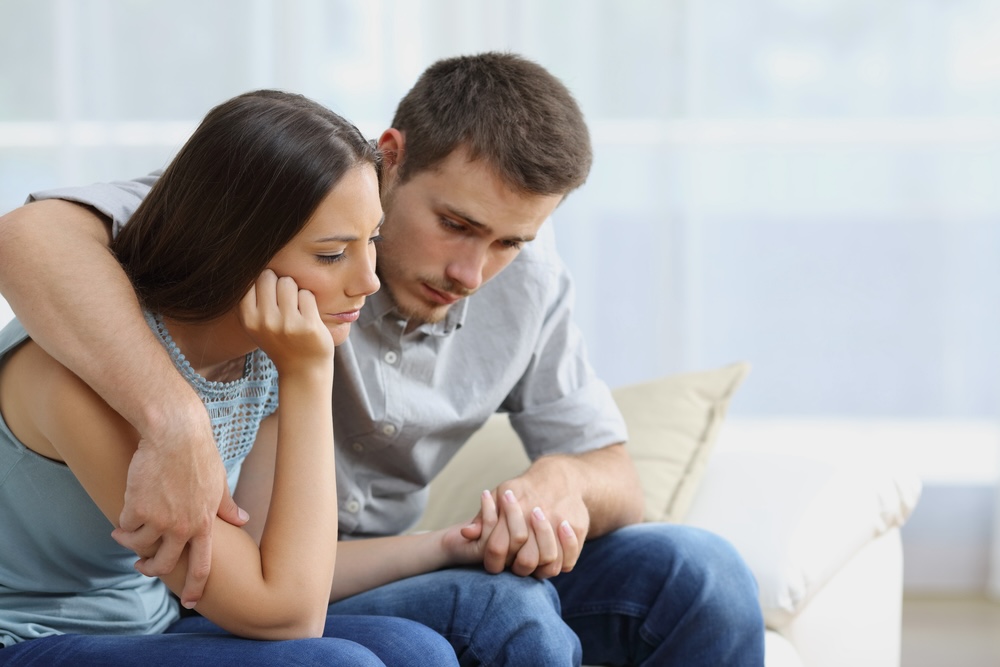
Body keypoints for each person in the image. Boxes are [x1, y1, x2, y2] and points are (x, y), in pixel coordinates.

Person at [0, 53, 765, 665]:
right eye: (456, 223)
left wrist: (553, 484)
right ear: (392, 160)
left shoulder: (280, 347)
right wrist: (173, 416)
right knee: (487, 615)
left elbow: (612, 471)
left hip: (306, 571)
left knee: (700, 572)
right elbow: (31, 237)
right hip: (216, 593)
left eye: (511, 241)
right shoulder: (271, 203)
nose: (472, 274)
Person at [0, 89, 465, 666]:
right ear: (231, 248)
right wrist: (311, 377)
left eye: (370, 240)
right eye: (330, 255)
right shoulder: (92, 373)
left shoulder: (266, 353)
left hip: (156, 622)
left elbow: (287, 572)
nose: (368, 281)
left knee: (419, 651)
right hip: (26, 637)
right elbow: (287, 615)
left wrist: (300, 372)